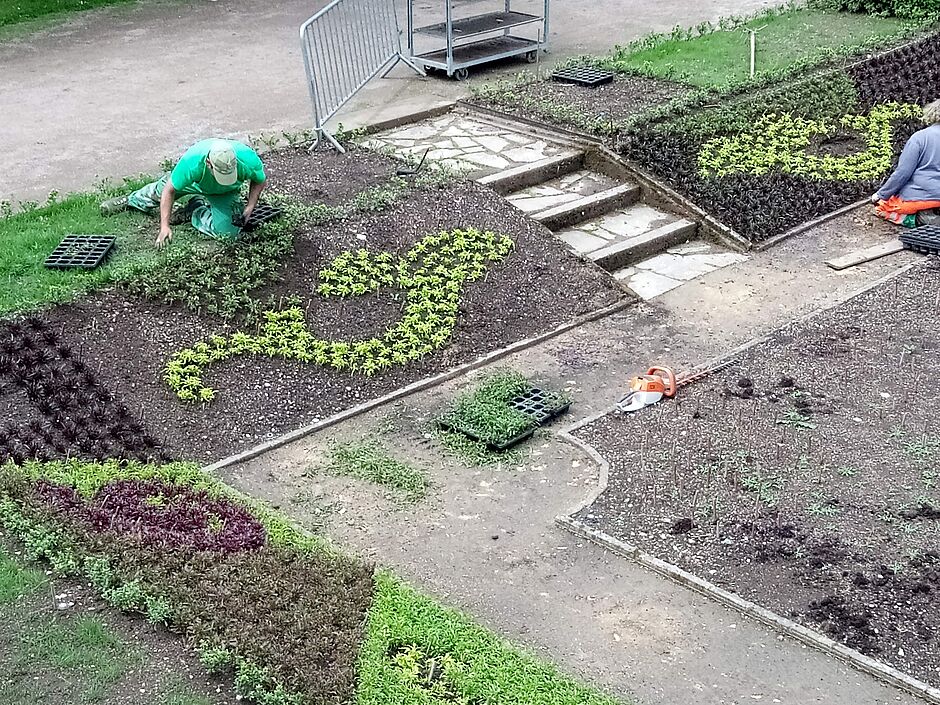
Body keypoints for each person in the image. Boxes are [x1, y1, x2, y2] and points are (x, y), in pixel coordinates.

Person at [100, 138, 267, 247]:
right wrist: (164, 226)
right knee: (159, 192)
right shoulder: (192, 161)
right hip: (194, 184)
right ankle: (131, 200)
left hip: (225, 191)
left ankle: (195, 209)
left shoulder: (247, 158)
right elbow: (169, 191)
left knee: (228, 233)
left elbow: (260, 180)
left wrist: (250, 207)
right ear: (209, 163)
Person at [872, 99, 940, 227]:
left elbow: (903, 173)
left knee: (882, 208)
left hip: (921, 196)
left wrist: (881, 195)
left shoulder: (920, 138)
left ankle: (921, 219)